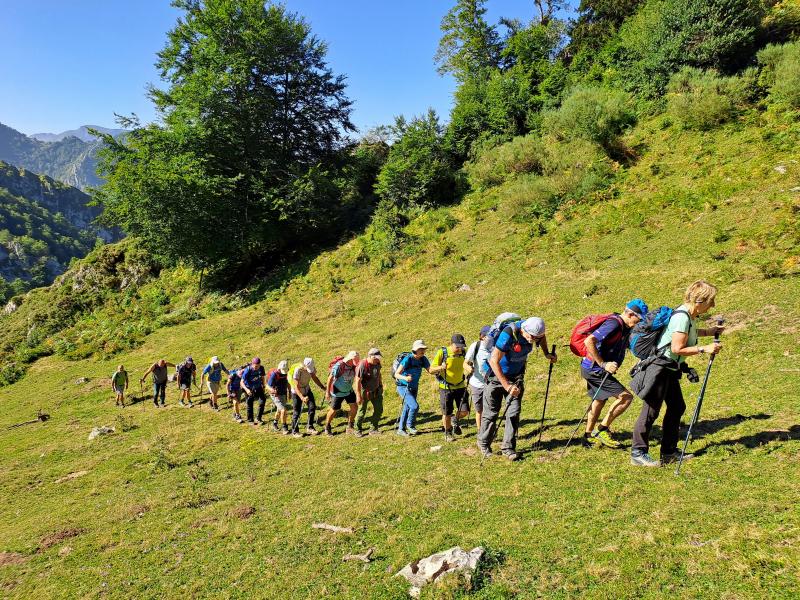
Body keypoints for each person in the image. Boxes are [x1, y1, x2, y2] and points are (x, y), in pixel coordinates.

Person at [630, 281, 723, 467]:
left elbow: (689, 334)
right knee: (650, 411)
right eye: (710, 301)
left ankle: (668, 452)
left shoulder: (689, 316)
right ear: (699, 300)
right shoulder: (682, 317)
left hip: (670, 368)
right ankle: (638, 453)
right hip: (660, 368)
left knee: (677, 407)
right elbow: (677, 347)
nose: (712, 305)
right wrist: (704, 349)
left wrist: (709, 332)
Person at [477, 317, 557, 461]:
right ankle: (484, 444)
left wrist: (546, 353)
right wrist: (506, 386)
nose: (532, 340)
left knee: (514, 412)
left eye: (536, 338)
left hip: (516, 378)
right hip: (495, 378)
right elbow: (493, 361)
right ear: (524, 330)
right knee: (491, 414)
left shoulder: (535, 333)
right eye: (531, 337)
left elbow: (542, 337)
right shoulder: (508, 334)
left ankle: (508, 448)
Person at [580, 299, 648, 449]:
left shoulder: (624, 326)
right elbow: (589, 341)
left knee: (599, 400)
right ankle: (602, 430)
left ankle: (587, 436)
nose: (639, 322)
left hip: (591, 368)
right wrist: (604, 364)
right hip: (595, 369)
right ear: (630, 314)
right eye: (639, 318)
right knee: (625, 397)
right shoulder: (614, 324)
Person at [431, 334, 469, 442]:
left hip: (461, 386)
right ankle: (448, 433)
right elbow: (431, 369)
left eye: (461, 347)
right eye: (457, 347)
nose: (459, 349)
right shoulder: (442, 353)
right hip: (445, 387)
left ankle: (455, 419)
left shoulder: (464, 353)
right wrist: (441, 367)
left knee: (465, 411)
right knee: (446, 413)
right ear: (451, 344)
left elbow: (468, 363)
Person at [394, 340, 433, 437]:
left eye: (424, 349)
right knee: (414, 406)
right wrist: (405, 378)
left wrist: (441, 368)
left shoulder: (423, 359)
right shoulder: (408, 359)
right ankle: (410, 426)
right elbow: (396, 374)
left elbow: (430, 370)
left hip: (414, 386)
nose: (423, 350)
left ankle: (401, 429)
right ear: (415, 350)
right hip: (403, 387)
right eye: (421, 349)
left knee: (407, 407)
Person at [324, 351, 361, 436]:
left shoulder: (354, 366)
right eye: (355, 359)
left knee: (354, 407)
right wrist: (327, 393)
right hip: (337, 392)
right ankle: (327, 426)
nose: (357, 361)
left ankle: (350, 425)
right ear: (350, 359)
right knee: (334, 410)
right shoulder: (339, 366)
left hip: (349, 390)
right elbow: (330, 378)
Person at [289, 358, 326, 437]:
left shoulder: (311, 368)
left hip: (306, 390)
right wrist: (302, 397)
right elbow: (295, 386)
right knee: (297, 412)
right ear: (304, 365)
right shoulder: (298, 370)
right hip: (296, 393)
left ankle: (310, 427)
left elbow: (315, 378)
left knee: (312, 407)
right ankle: (295, 431)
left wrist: (323, 388)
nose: (309, 370)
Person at [464, 326, 491, 430]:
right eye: (486, 337)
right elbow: (465, 363)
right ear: (482, 337)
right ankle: (481, 432)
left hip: (490, 383)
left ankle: (487, 430)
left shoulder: (495, 347)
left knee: (489, 409)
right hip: (477, 384)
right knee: (479, 410)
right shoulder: (476, 346)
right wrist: (469, 368)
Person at [354, 348, 384, 436]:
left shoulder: (377, 363)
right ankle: (357, 429)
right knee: (362, 411)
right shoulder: (362, 365)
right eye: (376, 358)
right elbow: (358, 381)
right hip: (364, 391)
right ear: (371, 356)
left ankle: (373, 429)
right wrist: (358, 395)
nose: (378, 360)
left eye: (379, 358)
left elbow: (379, 373)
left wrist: (381, 385)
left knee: (379, 409)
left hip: (376, 390)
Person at [240, 357, 267, 426]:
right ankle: (250, 420)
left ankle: (258, 418)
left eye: (258, 366)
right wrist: (247, 390)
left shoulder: (261, 368)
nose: (256, 368)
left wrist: (263, 386)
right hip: (249, 388)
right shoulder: (247, 370)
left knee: (263, 400)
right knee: (250, 404)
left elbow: (263, 377)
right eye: (255, 366)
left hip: (258, 387)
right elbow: (241, 382)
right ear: (252, 364)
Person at [267, 360, 291, 434]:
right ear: (279, 368)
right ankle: (284, 427)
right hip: (275, 394)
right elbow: (267, 386)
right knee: (283, 410)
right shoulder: (274, 374)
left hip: (283, 393)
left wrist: (289, 392)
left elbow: (288, 382)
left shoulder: (286, 373)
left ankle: (275, 423)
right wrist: (272, 390)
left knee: (279, 410)